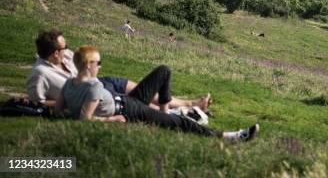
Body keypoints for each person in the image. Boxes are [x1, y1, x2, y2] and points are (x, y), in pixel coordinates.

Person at [56, 46, 258, 141]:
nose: (100, 66)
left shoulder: (68, 84)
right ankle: (232, 136)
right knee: (183, 124)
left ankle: (165, 113)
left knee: (164, 70)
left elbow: (58, 112)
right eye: (98, 63)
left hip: (127, 101)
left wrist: (72, 111)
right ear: (89, 64)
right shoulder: (94, 87)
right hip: (128, 109)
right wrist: (112, 121)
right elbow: (84, 120)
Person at [27, 29, 210, 110]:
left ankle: (190, 104)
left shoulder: (65, 55)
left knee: (141, 89)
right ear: (54, 54)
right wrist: (67, 100)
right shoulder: (41, 74)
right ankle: (177, 111)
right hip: (96, 94)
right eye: (63, 48)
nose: (67, 49)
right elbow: (38, 102)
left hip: (103, 82)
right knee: (144, 101)